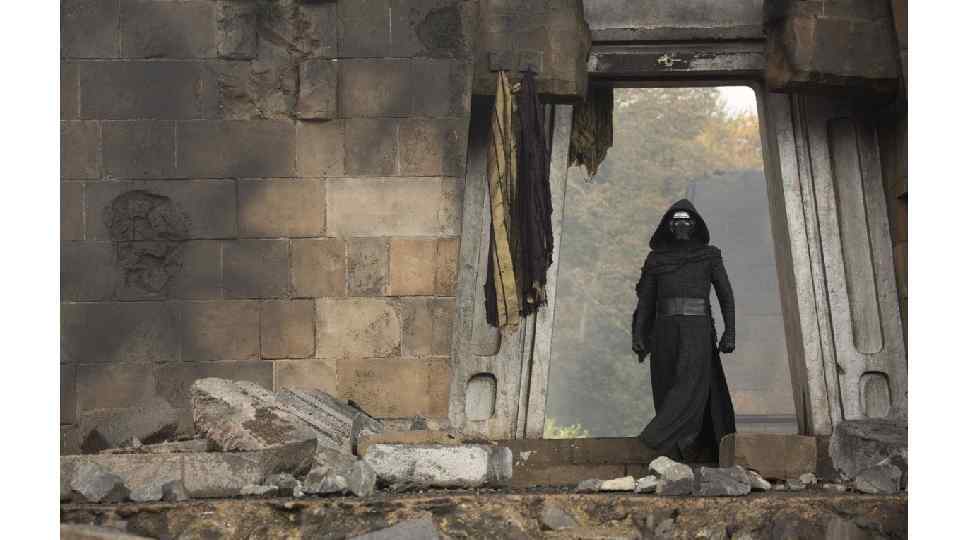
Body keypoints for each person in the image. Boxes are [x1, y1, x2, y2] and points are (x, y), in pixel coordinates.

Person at [631, 199, 736, 462]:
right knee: (666, 385)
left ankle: (653, 438)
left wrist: (730, 332)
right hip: (664, 331)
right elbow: (646, 301)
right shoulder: (656, 260)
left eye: (686, 220)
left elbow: (725, 295)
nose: (681, 225)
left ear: (695, 225)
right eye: (676, 220)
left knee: (689, 385)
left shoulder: (709, 256)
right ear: (668, 225)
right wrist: (639, 333)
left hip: (697, 330)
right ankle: (675, 451)